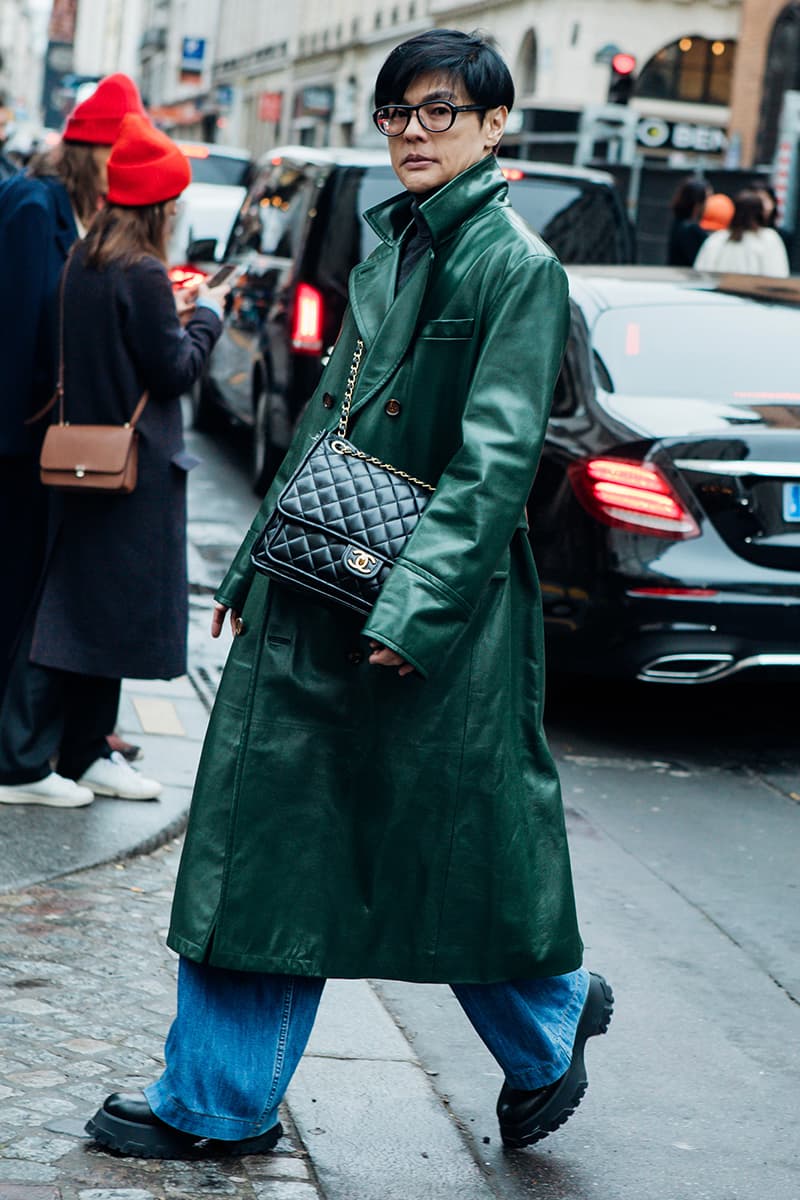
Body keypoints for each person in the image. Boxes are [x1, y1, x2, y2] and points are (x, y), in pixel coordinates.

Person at [86, 29, 613, 1160]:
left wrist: (412, 611)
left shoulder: (511, 267)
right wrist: (253, 562)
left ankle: (544, 1022)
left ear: (491, 125)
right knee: (290, 841)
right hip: (327, 585)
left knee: (422, 849)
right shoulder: (404, 248)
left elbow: (494, 461)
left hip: (418, 620)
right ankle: (224, 1096)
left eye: (438, 111)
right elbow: (325, 427)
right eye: (396, 114)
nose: (414, 131)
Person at [0, 114, 226, 809]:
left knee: (83, 609)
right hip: (133, 470)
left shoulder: (89, 259)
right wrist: (208, 315)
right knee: (80, 616)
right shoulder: (144, 270)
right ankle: (25, 763)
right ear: (159, 205)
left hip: (83, 456)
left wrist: (175, 312)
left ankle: (81, 750)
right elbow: (172, 371)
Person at [0, 74, 147, 710]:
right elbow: (16, 329)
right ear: (96, 155)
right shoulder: (36, 207)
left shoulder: (76, 212)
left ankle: (45, 734)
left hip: (48, 435)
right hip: (19, 437)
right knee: (14, 582)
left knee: (35, 581)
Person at [694, 189, 790, 277]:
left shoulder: (716, 239)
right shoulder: (769, 239)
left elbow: (700, 275)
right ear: (760, 213)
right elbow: (779, 276)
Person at [667, 176, 710, 265]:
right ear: (698, 203)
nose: (708, 204)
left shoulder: (678, 223)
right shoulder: (690, 230)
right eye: (706, 199)